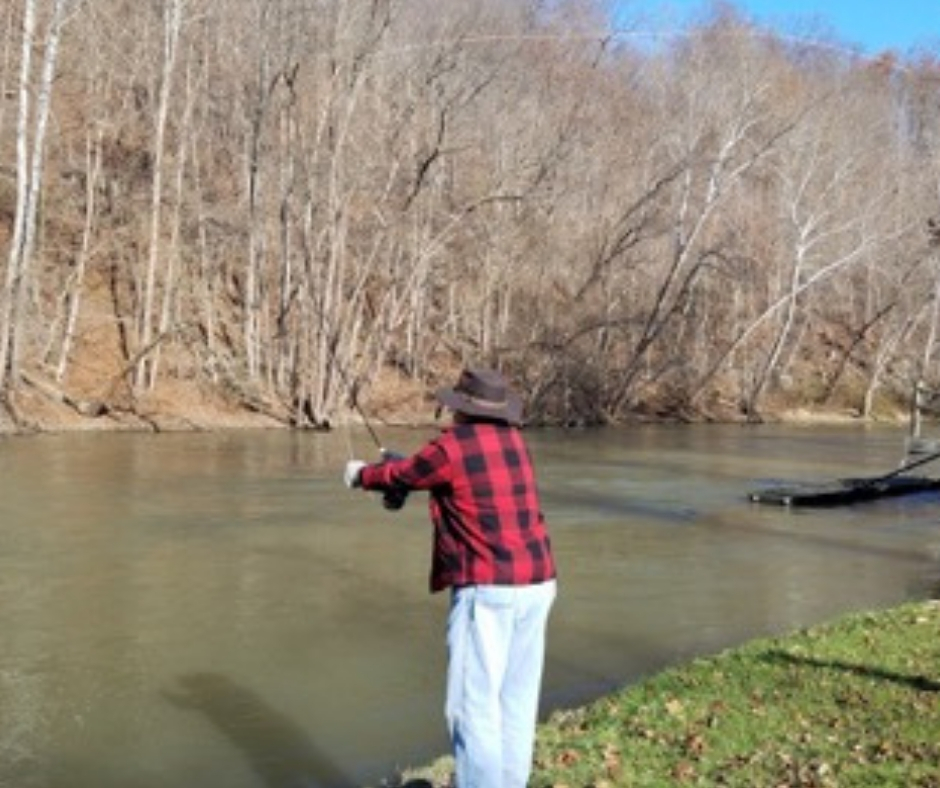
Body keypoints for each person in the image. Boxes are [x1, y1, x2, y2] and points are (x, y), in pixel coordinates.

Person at [343, 367, 557, 788]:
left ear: (462, 409)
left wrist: (359, 475)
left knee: (472, 707)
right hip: (538, 583)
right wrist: (404, 469)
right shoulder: (514, 441)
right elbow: (439, 475)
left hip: (488, 591)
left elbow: (403, 476)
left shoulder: (452, 446)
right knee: (516, 701)